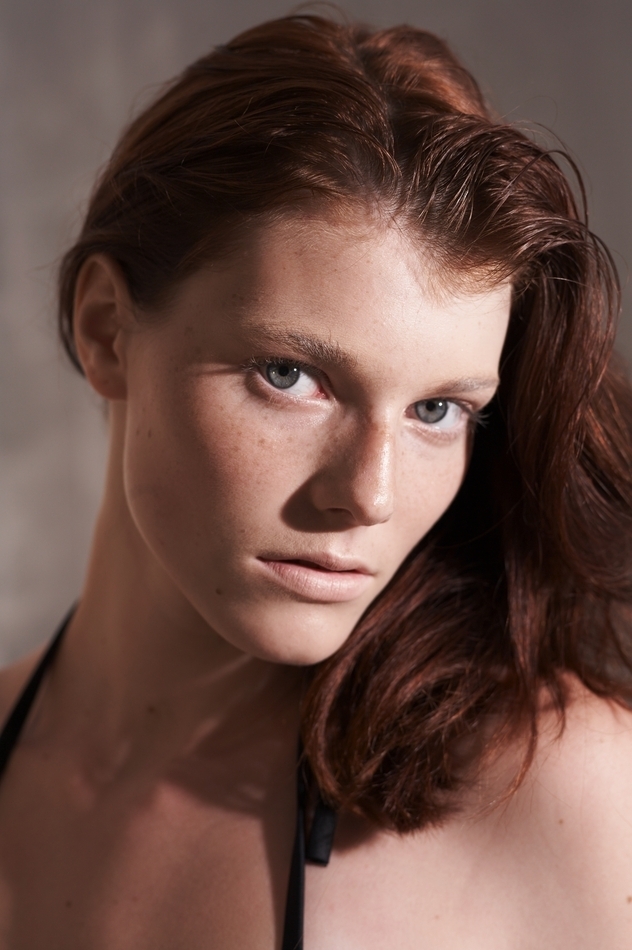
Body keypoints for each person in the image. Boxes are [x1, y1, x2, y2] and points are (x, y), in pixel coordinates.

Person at [1, 12, 632, 948]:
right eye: (291, 376)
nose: (370, 496)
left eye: (437, 410)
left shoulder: (555, 792)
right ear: (106, 331)